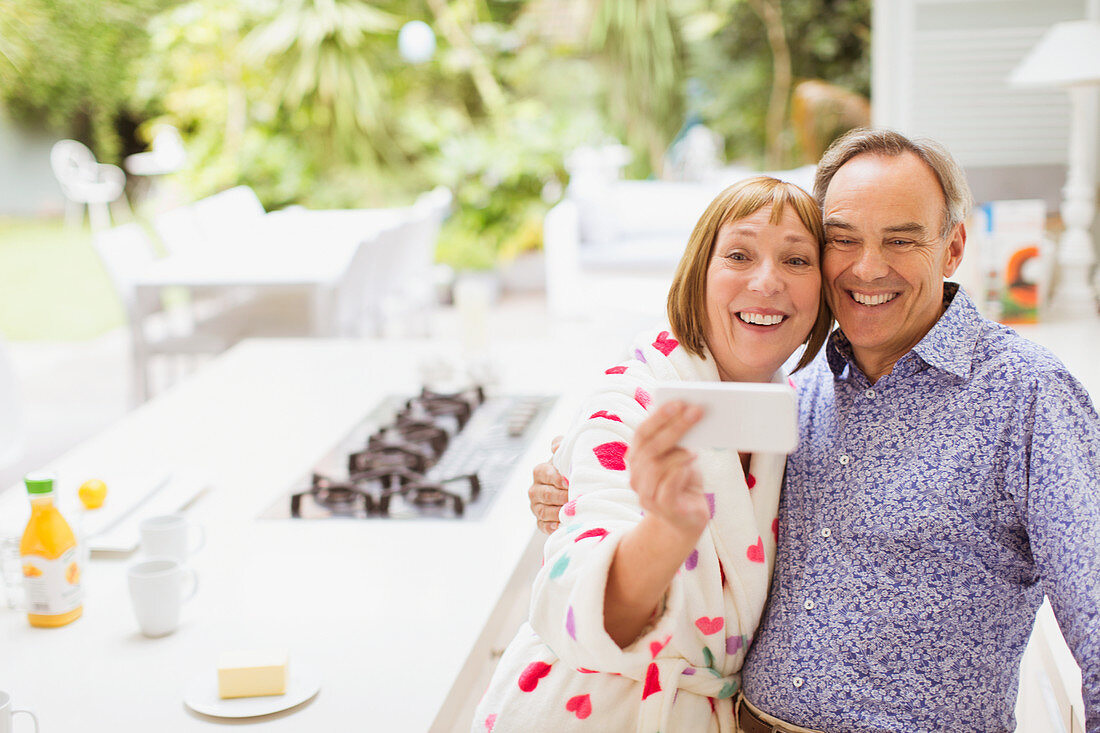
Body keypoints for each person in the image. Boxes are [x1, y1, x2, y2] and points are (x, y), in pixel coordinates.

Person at [528, 128, 1100, 732]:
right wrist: (571, 482)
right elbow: (692, 510)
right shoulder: (797, 387)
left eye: (900, 240)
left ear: (953, 248)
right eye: (843, 240)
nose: (868, 267)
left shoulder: (1028, 394)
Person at [473, 176, 833, 732]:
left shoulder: (798, 418)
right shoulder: (628, 400)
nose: (767, 281)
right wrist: (667, 532)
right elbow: (575, 592)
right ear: (699, 274)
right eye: (739, 254)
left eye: (797, 260)